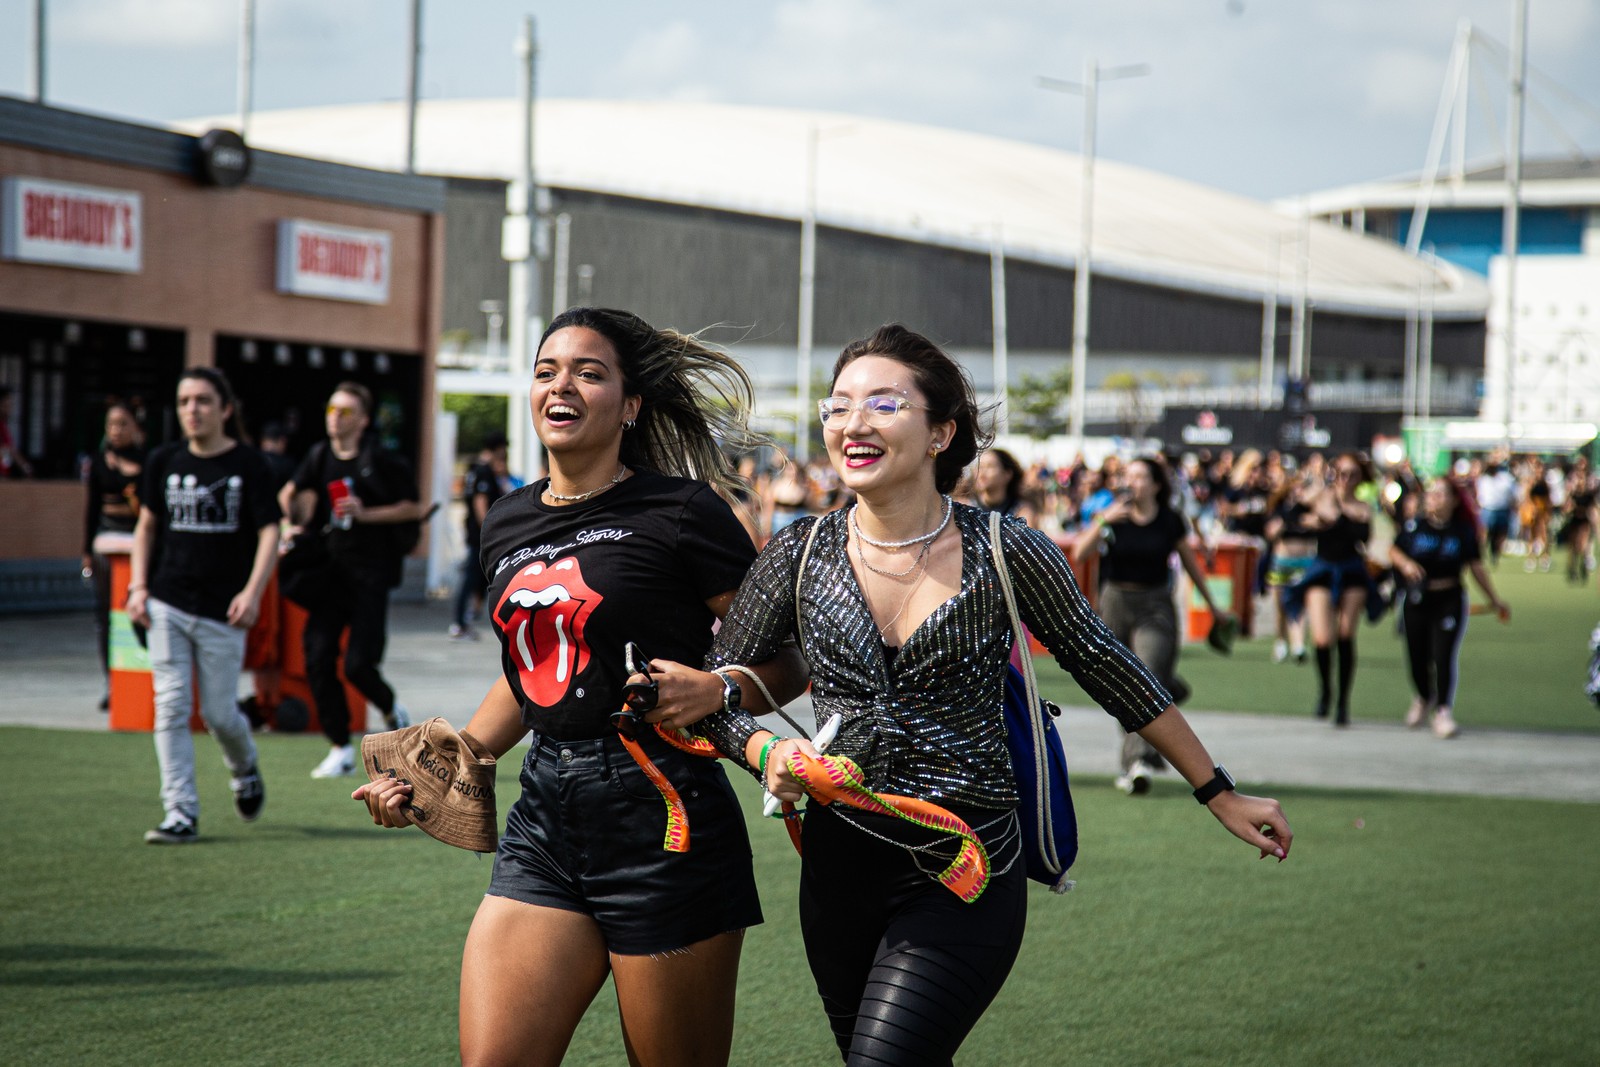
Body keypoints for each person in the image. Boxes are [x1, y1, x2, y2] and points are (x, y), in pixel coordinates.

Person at [697, 324, 1291, 1065]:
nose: (853, 422)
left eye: (883, 404)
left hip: (967, 860)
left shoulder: (1005, 549)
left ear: (941, 430)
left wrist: (1218, 791)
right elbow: (711, 692)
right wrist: (765, 751)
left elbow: (1109, 667)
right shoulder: (801, 550)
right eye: (839, 405)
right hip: (837, 864)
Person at [353, 307, 806, 1066]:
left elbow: (792, 658)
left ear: (630, 405)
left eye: (589, 373)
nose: (561, 385)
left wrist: (721, 687)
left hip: (666, 819)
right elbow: (533, 670)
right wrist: (441, 767)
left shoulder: (683, 512)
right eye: (546, 370)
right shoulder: (507, 520)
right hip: (547, 819)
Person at [126, 368, 279, 844]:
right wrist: (136, 586)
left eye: (203, 401)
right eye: (185, 401)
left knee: (218, 713)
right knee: (170, 705)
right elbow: (147, 526)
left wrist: (252, 592)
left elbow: (270, 530)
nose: (193, 410)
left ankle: (244, 767)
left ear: (225, 409)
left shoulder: (249, 464)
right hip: (168, 600)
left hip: (223, 609)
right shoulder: (162, 461)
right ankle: (180, 813)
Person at [281, 382, 424, 778]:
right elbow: (290, 490)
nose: (334, 417)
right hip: (330, 573)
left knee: (359, 665)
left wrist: (365, 513)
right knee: (317, 656)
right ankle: (340, 746)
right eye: (331, 409)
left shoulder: (381, 459)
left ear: (362, 420)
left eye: (344, 412)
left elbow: (413, 507)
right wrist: (291, 522)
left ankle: (391, 708)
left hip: (370, 574)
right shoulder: (319, 455)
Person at [1072, 455, 1228, 795]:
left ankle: (1138, 761)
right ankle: (1170, 692)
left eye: (1140, 476)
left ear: (1157, 484)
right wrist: (1103, 521)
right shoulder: (1112, 516)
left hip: (1155, 605)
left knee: (1144, 680)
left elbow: (1190, 564)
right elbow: (1080, 553)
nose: (1133, 482)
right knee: (1123, 687)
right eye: (1129, 475)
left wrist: (1215, 607)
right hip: (1114, 604)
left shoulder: (1170, 520)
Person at [1389, 477, 1510, 739]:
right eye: (1432, 493)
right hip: (1417, 599)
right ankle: (1423, 696)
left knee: (1443, 655)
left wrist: (1494, 599)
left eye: (1441, 494)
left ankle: (1443, 710)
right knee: (1417, 657)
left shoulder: (1463, 532)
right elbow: (1395, 551)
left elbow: (1476, 567)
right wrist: (1407, 565)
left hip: (1449, 599)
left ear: (1454, 500)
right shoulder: (1415, 527)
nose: (1434, 497)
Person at [1291, 452, 1377, 726]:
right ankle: (1325, 691)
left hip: (1351, 570)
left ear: (1360, 478)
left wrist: (1332, 516)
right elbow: (1294, 513)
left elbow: (1361, 536)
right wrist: (1317, 509)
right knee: (1322, 639)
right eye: (1341, 472)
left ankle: (1343, 702)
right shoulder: (1322, 496)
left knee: (1345, 635)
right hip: (1323, 569)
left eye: (1352, 474)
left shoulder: (1363, 507)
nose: (1345, 479)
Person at [82, 401, 146, 710]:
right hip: (106, 544)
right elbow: (92, 508)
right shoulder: (98, 462)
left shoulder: (147, 461)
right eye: (111, 424)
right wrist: (86, 551)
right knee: (106, 618)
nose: (116, 430)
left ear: (136, 427)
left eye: (122, 424)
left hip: (138, 546)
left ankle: (142, 681)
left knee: (137, 614)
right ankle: (113, 682)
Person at [448, 430, 512, 640]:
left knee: (477, 578)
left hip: (475, 532)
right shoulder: (484, 471)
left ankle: (466, 619)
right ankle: (460, 623)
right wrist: (489, 532)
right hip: (480, 536)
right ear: (498, 448)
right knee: (471, 578)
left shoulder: (474, 469)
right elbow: (480, 503)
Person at [969, 446, 1039, 527]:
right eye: (979, 467)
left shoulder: (1022, 511)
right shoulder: (966, 507)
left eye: (989, 466)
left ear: (1007, 474)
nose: (981, 473)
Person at [1475, 457, 1517, 566]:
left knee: (1500, 534)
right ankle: (1481, 554)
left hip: (1501, 509)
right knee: (1485, 533)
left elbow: (1511, 495)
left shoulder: (1505, 479)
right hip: (1488, 509)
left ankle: (1494, 554)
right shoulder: (1483, 479)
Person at [0, 384, 33, 478]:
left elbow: (10, 448)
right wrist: (26, 467)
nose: (10, 408)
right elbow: (9, 450)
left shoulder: (2, 425)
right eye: (7, 405)